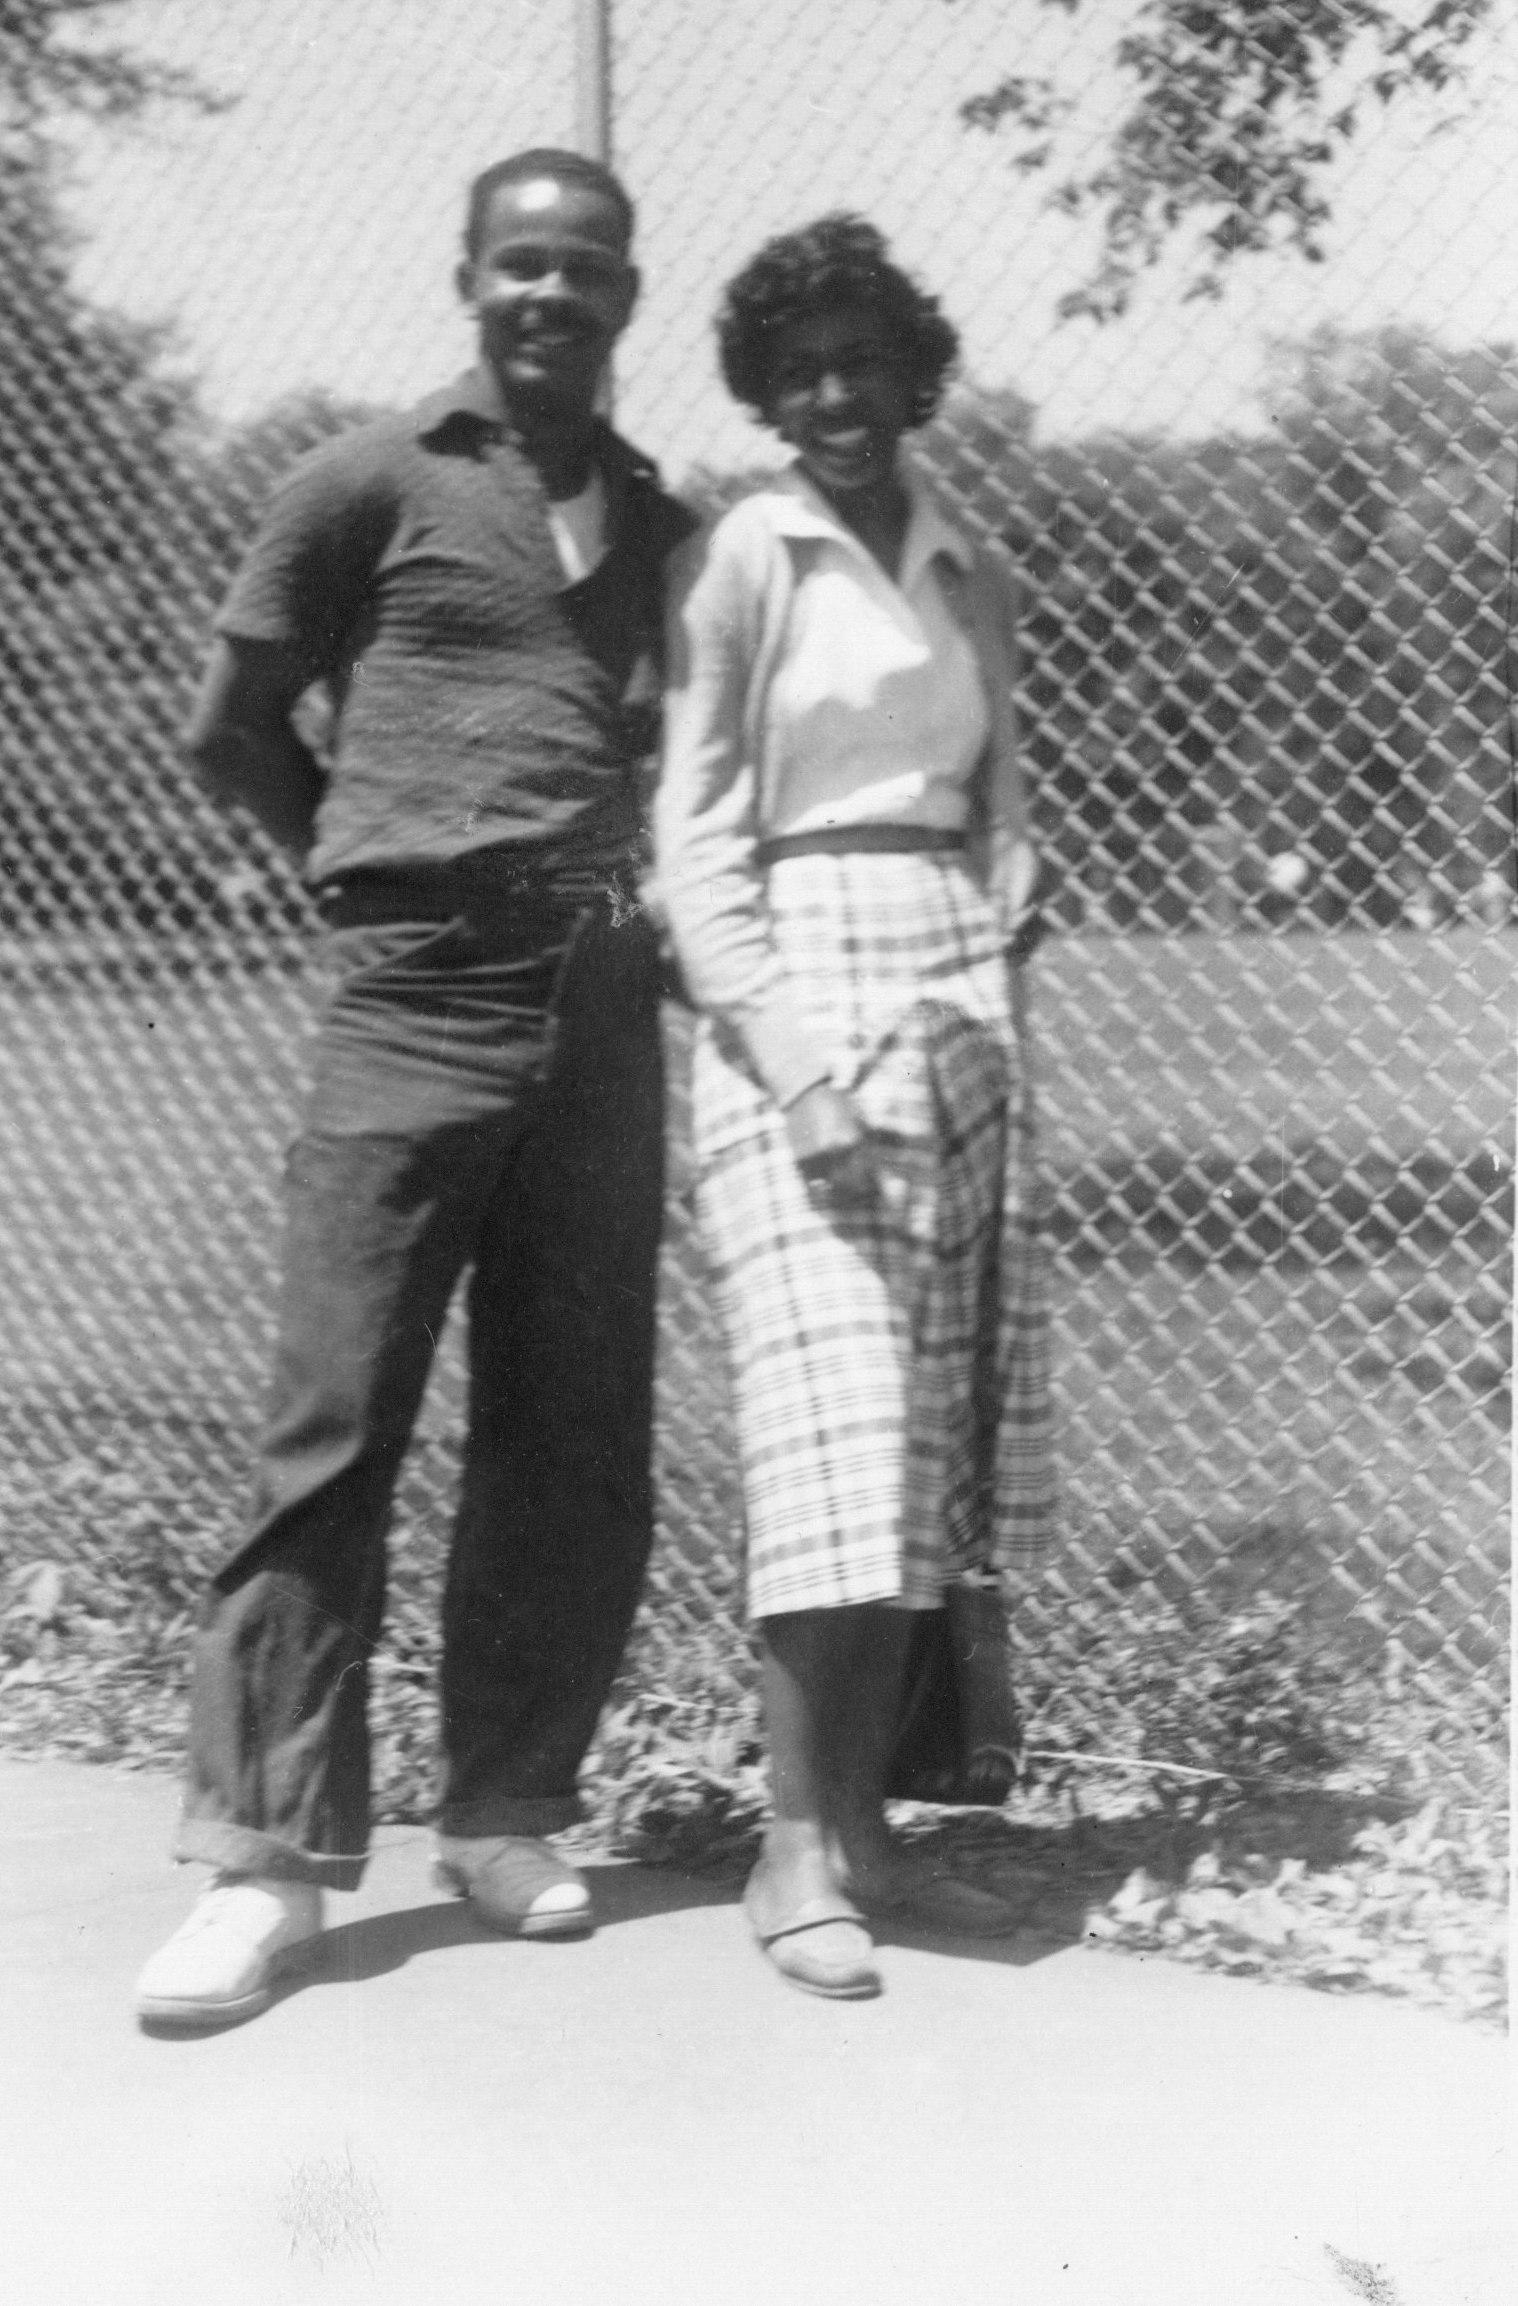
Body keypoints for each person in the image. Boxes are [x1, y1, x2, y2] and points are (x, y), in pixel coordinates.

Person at [135, 148, 695, 2033]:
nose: (554, 292)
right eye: (521, 262)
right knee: (337, 1422)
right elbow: (231, 727)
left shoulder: (663, 520)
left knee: (574, 1426)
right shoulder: (367, 482)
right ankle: (261, 1867)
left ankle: (509, 1810)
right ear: (468, 278)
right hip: (414, 1003)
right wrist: (373, 875)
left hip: (605, 1015)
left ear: (630, 294)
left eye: (588, 267)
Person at [654, 214, 1051, 2003]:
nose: (834, 398)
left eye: (862, 363)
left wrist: (1002, 934)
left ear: (913, 374)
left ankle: (877, 1838)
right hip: (793, 994)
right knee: (834, 1423)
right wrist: (797, 1064)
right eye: (798, 369)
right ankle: (789, 1849)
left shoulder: (964, 559)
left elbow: (1003, 798)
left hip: (955, 991)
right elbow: (693, 837)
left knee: (928, 1438)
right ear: (763, 389)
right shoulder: (752, 551)